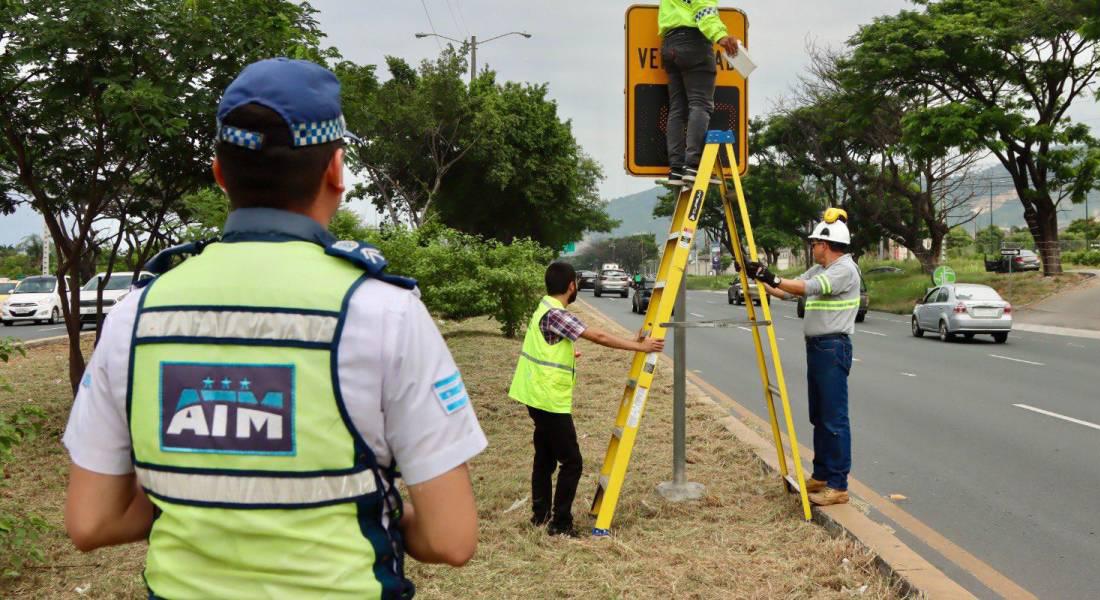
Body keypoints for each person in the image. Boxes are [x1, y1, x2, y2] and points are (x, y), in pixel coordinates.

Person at [61, 58, 487, 598]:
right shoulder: (384, 311)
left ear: (219, 173)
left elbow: (90, 523)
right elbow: (451, 539)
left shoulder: (135, 315)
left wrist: (207, 498)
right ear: (336, 168)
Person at [508, 262, 664, 536]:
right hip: (547, 398)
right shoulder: (557, 313)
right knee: (572, 462)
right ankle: (560, 524)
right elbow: (598, 336)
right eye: (576, 283)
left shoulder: (544, 307)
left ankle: (540, 516)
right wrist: (640, 347)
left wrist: (631, 339)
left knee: (544, 457)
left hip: (534, 394)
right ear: (571, 285)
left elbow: (550, 345)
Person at [743, 209, 859, 506]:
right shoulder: (821, 269)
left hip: (833, 347)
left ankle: (838, 485)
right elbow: (787, 291)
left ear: (827, 243)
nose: (812, 246)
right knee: (818, 415)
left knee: (834, 419)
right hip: (819, 347)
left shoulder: (843, 269)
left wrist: (771, 275)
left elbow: (806, 288)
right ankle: (821, 476)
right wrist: (756, 275)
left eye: (815, 242)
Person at [658, 0, 741, 186]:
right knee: (700, 104)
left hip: (669, 44)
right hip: (694, 43)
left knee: (677, 109)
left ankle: (676, 169)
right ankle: (692, 166)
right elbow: (704, 12)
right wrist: (721, 36)